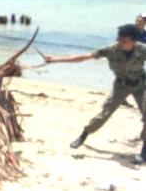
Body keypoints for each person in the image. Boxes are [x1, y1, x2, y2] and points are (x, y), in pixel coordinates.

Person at [43, 24, 146, 164]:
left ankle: (144, 150)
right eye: (119, 39)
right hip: (120, 86)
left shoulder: (142, 49)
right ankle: (84, 135)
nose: (120, 43)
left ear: (133, 41)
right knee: (104, 114)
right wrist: (56, 60)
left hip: (141, 85)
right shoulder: (111, 50)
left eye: (124, 41)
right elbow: (84, 57)